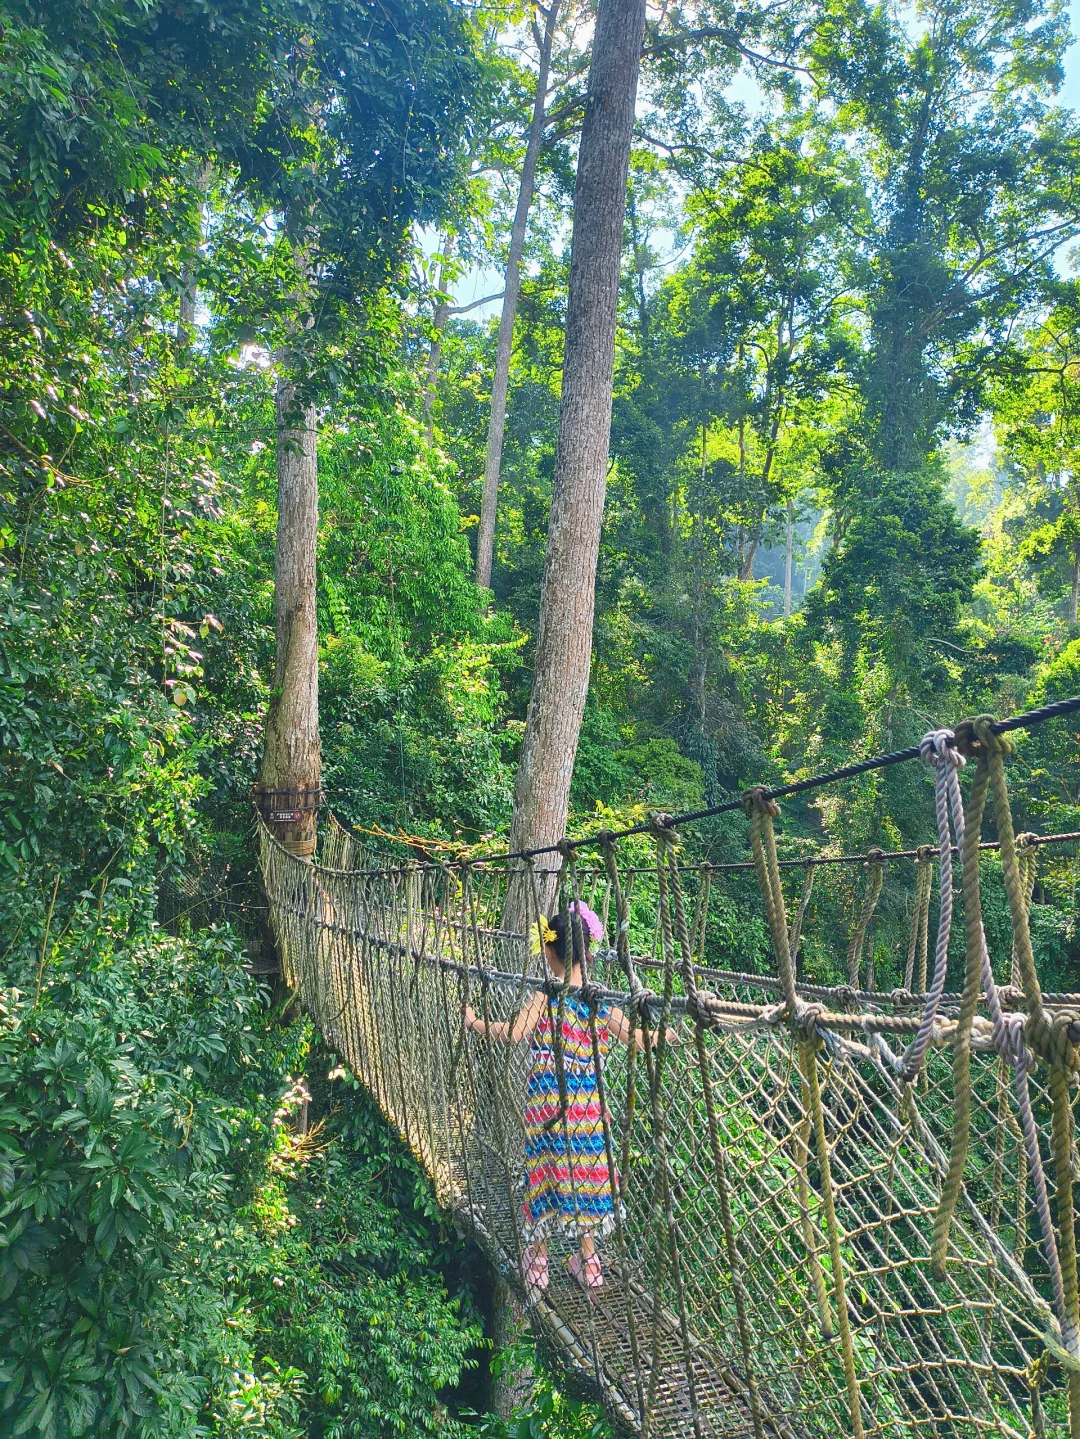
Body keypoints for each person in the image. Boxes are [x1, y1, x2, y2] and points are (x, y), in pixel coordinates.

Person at [463, 901, 672, 1296]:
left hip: (546, 1104)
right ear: (586, 952)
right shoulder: (598, 1000)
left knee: (544, 1171)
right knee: (587, 1173)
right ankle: (590, 1262)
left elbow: (513, 1033)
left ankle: (538, 1261)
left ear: (550, 951)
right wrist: (675, 1034)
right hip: (587, 1106)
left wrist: (473, 1021)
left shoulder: (547, 994)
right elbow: (635, 1038)